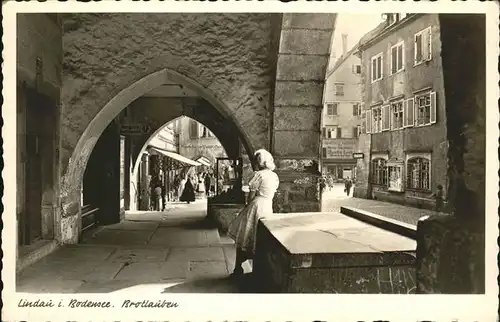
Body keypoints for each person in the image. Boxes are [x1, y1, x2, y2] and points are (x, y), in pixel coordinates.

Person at [227, 149, 280, 277]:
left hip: (256, 205)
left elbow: (251, 196)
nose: (255, 163)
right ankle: (260, 269)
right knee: (260, 238)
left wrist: (247, 206)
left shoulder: (258, 175)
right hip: (268, 207)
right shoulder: (274, 176)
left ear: (260, 162)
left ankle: (238, 268)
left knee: (245, 236)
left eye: (256, 161)